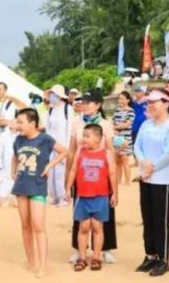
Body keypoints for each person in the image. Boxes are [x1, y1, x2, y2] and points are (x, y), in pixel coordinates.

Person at [132, 89, 169, 277]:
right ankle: (150, 255)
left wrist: (152, 167)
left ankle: (163, 258)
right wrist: (142, 161)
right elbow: (137, 146)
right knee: (148, 218)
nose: (150, 105)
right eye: (149, 102)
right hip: (146, 179)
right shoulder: (146, 124)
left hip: (164, 180)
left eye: (155, 102)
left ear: (167, 103)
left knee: (162, 220)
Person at [12, 107, 67, 278]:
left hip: (37, 186)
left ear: (32, 123)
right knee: (25, 225)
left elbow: (64, 151)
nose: (18, 125)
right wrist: (13, 172)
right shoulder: (18, 140)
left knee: (38, 225)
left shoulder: (45, 139)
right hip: (21, 187)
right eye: (17, 122)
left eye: (21, 122)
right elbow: (15, 157)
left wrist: (50, 165)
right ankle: (31, 260)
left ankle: (43, 264)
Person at [65, 90, 118, 264]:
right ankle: (78, 249)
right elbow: (72, 149)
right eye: (84, 102)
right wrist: (68, 173)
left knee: (104, 215)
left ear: (98, 105)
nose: (85, 105)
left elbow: (110, 149)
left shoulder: (105, 124)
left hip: (101, 173)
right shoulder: (77, 122)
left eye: (89, 102)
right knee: (80, 215)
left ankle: (105, 248)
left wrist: (113, 178)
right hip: (82, 171)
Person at [44, 85, 72, 207]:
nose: (52, 97)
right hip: (51, 144)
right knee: (51, 170)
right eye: (51, 94)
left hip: (63, 144)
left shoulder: (67, 108)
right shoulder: (51, 109)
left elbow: (69, 129)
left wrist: (67, 147)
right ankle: (54, 196)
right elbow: (48, 128)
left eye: (54, 94)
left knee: (60, 171)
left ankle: (63, 198)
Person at [111, 91, 135, 185]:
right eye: (119, 99)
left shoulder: (130, 111)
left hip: (126, 139)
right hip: (116, 139)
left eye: (122, 99)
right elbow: (112, 122)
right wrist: (114, 129)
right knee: (118, 162)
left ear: (128, 100)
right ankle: (118, 182)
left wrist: (115, 127)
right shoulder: (117, 111)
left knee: (125, 161)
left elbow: (126, 124)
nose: (120, 101)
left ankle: (127, 182)